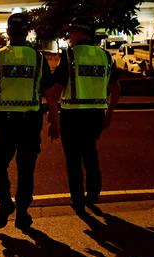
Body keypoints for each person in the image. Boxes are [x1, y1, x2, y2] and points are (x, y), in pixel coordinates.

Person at [0, 13, 59, 230]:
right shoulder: (38, 59)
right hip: (30, 121)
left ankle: (5, 202)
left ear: (9, 32)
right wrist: (55, 121)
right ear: (27, 31)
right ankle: (22, 213)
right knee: (26, 169)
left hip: (3, 121)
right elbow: (50, 95)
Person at [53, 16, 120, 215]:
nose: (70, 36)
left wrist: (51, 112)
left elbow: (57, 88)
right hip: (96, 115)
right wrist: (109, 112)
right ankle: (93, 192)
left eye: (71, 32)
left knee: (73, 158)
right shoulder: (105, 56)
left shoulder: (70, 56)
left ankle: (78, 199)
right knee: (90, 152)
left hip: (72, 115)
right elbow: (115, 89)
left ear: (78, 32)